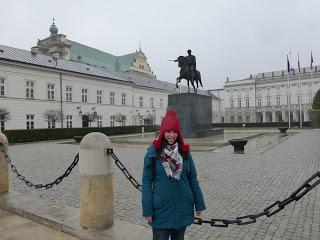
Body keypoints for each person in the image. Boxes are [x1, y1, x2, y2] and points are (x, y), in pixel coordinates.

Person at [142, 109, 206, 240]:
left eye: (174, 132)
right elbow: (147, 181)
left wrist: (199, 203)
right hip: (161, 210)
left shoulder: (184, 152)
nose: (171, 135)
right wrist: (147, 209)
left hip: (182, 207)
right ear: (163, 132)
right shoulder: (153, 153)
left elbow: (192, 178)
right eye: (168, 131)